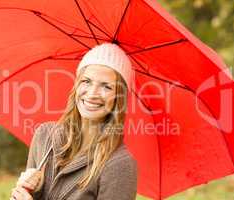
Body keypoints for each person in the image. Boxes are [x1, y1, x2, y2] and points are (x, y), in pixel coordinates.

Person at [10, 43, 138, 200]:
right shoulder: (44, 136)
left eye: (106, 87)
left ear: (118, 98)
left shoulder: (120, 165)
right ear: (76, 85)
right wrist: (33, 191)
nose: (92, 94)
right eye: (86, 81)